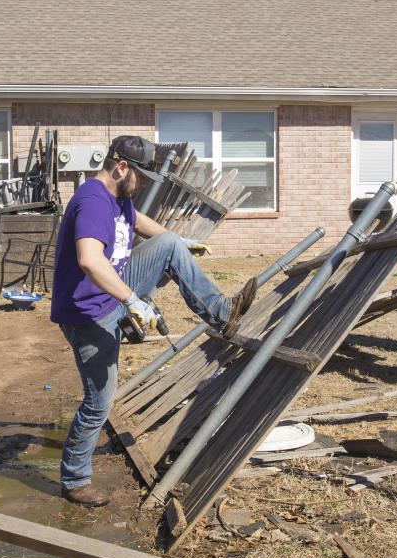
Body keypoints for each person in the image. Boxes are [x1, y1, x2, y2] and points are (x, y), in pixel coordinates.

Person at [50, 135, 257, 507]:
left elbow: (151, 229)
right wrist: (131, 299)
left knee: (172, 243)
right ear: (121, 167)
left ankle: (223, 313)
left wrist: (183, 250)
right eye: (142, 177)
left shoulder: (118, 199)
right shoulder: (93, 201)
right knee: (100, 401)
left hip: (108, 296)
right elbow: (89, 260)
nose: (145, 184)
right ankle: (74, 480)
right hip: (87, 311)